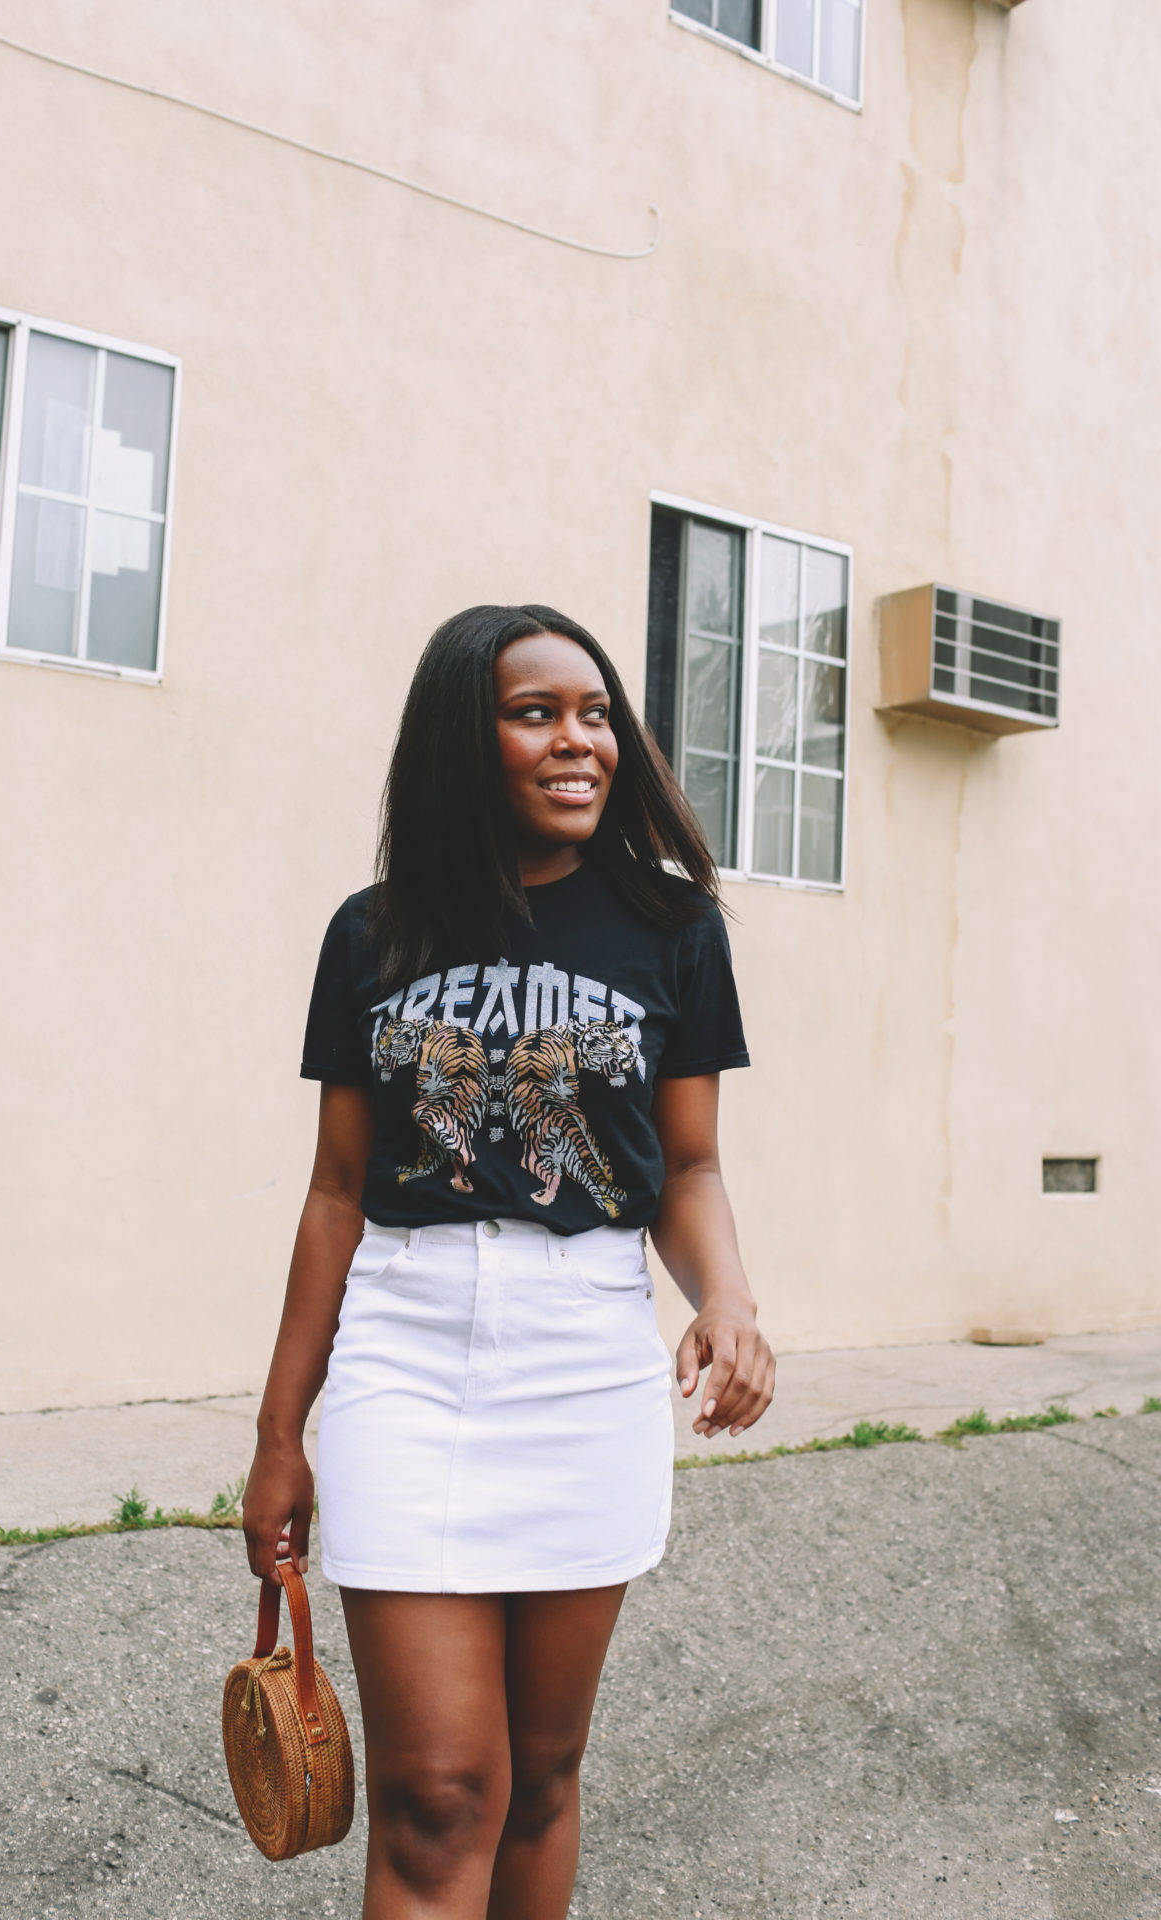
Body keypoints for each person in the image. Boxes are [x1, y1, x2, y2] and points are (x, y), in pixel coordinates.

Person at [243, 603, 775, 1917]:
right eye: (536, 713)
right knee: (436, 1795)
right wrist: (277, 1436)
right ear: (463, 741)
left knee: (540, 1779)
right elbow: (334, 1193)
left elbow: (689, 1166)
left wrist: (730, 1303)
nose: (578, 741)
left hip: (584, 1357)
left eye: (595, 715)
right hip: (408, 1356)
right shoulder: (372, 937)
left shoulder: (671, 928)